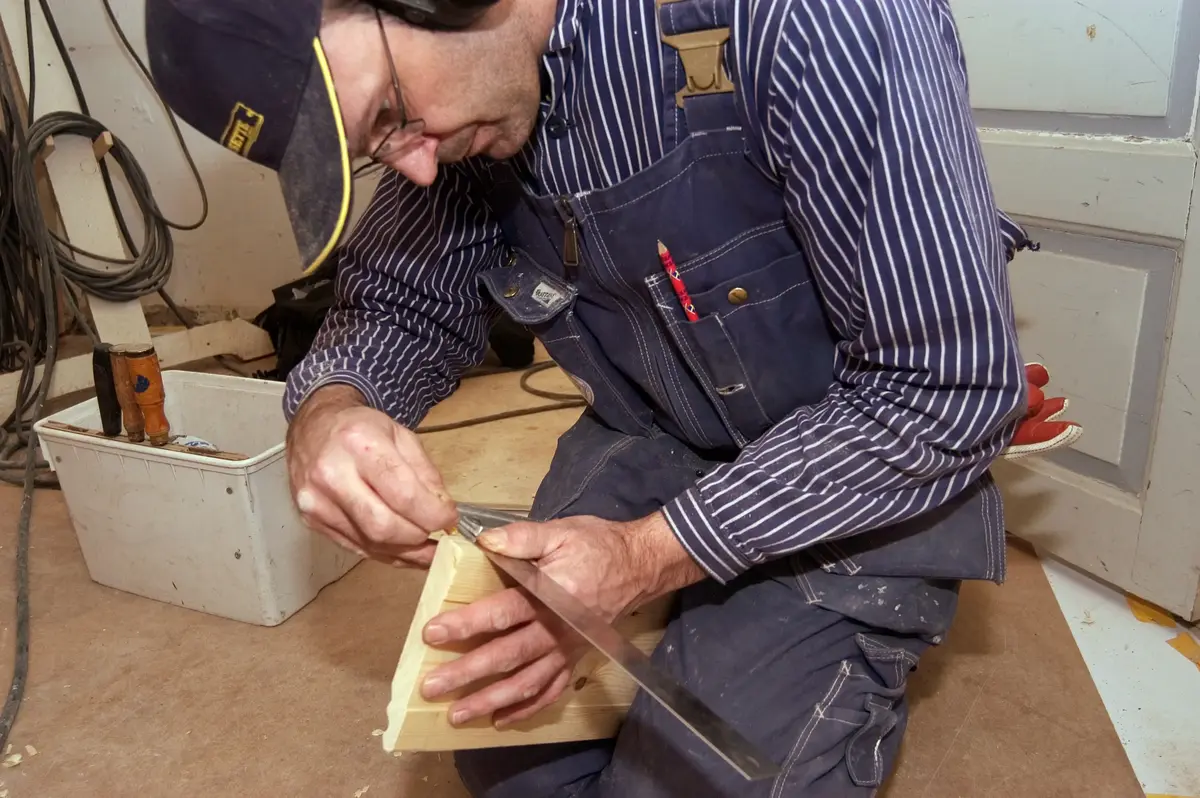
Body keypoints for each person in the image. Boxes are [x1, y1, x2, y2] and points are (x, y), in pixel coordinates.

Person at [145, 0, 1082, 794]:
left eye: (393, 113)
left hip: (848, 468)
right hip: (655, 430)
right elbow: (399, 301)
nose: (418, 166)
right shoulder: (462, 96)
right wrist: (329, 408)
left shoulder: (809, 21)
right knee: (505, 752)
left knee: (687, 777)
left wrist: (649, 556)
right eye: (377, 149)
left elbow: (943, 385)